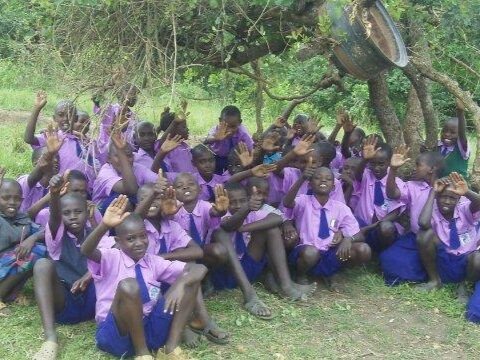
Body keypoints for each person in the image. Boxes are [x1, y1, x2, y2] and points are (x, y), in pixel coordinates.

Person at [81, 195, 207, 359]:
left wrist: (182, 283)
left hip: (149, 328)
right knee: (129, 286)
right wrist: (104, 225)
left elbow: (199, 268)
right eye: (131, 239)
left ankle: (170, 348)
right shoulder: (111, 257)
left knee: (191, 280)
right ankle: (142, 354)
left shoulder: (153, 261)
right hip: (117, 332)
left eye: (143, 236)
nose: (139, 242)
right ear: (119, 241)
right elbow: (87, 250)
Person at [136, 177, 230, 346]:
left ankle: (203, 319)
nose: (151, 202)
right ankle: (186, 326)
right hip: (145, 284)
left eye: (157, 197)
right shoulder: (136, 225)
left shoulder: (170, 226)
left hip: (164, 277)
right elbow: (136, 217)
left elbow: (197, 251)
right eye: (144, 199)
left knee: (190, 264)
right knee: (181, 265)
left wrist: (164, 257)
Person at [32, 173, 115, 360]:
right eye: (66, 213)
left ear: (87, 212)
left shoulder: (95, 233)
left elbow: (109, 255)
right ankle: (51, 339)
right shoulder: (55, 238)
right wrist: (54, 194)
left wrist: (88, 276)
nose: (72, 217)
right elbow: (53, 220)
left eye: (78, 212)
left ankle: (115, 325)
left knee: (113, 260)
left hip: (94, 304)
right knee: (42, 264)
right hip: (65, 304)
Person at [205, 183, 316, 320]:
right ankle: (250, 297)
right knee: (220, 234)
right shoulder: (221, 213)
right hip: (224, 273)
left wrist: (244, 228)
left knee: (272, 229)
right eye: (233, 202)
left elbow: (277, 218)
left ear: (248, 199)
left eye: (242, 201)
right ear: (225, 201)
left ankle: (286, 285)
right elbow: (228, 225)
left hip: (247, 268)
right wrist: (246, 209)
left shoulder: (252, 212)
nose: (238, 205)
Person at [283, 166, 370, 290]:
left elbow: (358, 233)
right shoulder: (303, 201)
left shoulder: (341, 208)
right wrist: (302, 179)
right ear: (310, 185)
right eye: (317, 178)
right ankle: (301, 275)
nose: (323, 181)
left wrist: (348, 239)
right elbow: (287, 203)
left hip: (330, 252)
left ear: (333, 187)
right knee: (311, 253)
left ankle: (333, 272)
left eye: (328, 179)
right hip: (307, 251)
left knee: (363, 249)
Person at [380, 150, 445, 286]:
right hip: (414, 238)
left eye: (418, 165)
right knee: (387, 258)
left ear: (432, 169)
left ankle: (432, 275)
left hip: (438, 241)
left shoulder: (447, 188)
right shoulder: (413, 186)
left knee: (407, 265)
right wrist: (393, 169)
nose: (414, 168)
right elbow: (392, 194)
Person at [414, 173, 480, 291]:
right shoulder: (433, 211)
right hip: (443, 260)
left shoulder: (465, 209)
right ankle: (434, 281)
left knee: (478, 258)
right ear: (437, 197)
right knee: (424, 235)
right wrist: (433, 192)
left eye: (452, 198)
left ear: (459, 199)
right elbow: (423, 223)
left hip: (466, 262)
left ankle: (464, 287)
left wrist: (467, 192)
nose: (447, 201)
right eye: (443, 197)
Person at [354, 136, 405, 252]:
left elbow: (394, 214)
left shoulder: (397, 184)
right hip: (362, 224)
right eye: (372, 163)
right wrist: (365, 159)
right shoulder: (366, 175)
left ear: (389, 162)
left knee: (386, 227)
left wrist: (369, 228)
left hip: (378, 229)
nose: (376, 168)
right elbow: (357, 175)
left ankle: (384, 252)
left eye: (381, 164)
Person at [0, 176, 46, 306]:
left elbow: (46, 231)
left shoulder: (21, 218)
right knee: (29, 255)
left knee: (39, 251)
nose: (12, 202)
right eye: (6, 198)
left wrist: (32, 238)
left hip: (6, 264)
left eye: (17, 199)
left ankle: (10, 293)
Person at [92, 131, 157, 213]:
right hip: (100, 210)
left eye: (129, 155)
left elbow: (157, 182)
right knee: (124, 200)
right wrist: (121, 151)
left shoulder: (137, 167)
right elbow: (131, 190)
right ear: (108, 159)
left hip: (130, 203)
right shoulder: (105, 173)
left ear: (133, 157)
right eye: (119, 156)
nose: (124, 160)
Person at [96, 83, 140, 165]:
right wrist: (108, 84)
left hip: (125, 158)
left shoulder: (134, 118)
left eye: (135, 94)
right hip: (106, 155)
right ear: (120, 94)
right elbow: (96, 98)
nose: (134, 97)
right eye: (131, 93)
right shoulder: (110, 110)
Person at [204, 105, 253, 174]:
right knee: (217, 175)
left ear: (239, 122)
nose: (229, 130)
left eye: (233, 126)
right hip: (217, 157)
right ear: (220, 121)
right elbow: (205, 141)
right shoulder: (217, 129)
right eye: (226, 126)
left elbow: (251, 149)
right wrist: (215, 138)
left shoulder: (243, 133)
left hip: (236, 160)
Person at [438, 99, 469, 178]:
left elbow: (462, 134)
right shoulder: (438, 145)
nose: (447, 134)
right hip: (439, 183)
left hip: (457, 185)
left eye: (452, 132)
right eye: (444, 131)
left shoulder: (462, 149)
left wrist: (460, 111)